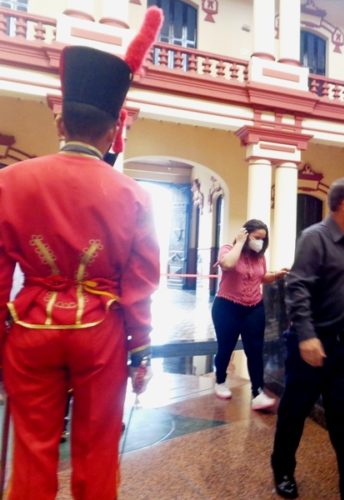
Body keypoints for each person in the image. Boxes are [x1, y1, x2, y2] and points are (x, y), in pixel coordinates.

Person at [0, 8, 163, 500]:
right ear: (113, 132)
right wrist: (140, 347)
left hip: (30, 329)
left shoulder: (9, 182)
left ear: (60, 121)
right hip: (100, 333)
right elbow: (141, 282)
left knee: (32, 449)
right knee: (97, 448)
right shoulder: (134, 196)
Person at [271, 177, 344, 500]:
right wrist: (306, 336)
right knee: (294, 412)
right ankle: (283, 469)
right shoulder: (314, 238)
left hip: (343, 347)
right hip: (310, 344)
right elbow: (297, 287)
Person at [212, 219, 288, 410]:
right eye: (256, 237)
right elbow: (228, 264)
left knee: (255, 350)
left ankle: (257, 392)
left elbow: (261, 277)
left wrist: (276, 275)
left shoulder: (259, 257)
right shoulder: (228, 249)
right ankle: (220, 380)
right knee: (226, 347)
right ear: (245, 235)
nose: (260, 242)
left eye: (263, 239)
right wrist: (239, 243)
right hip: (227, 306)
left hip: (254, 307)